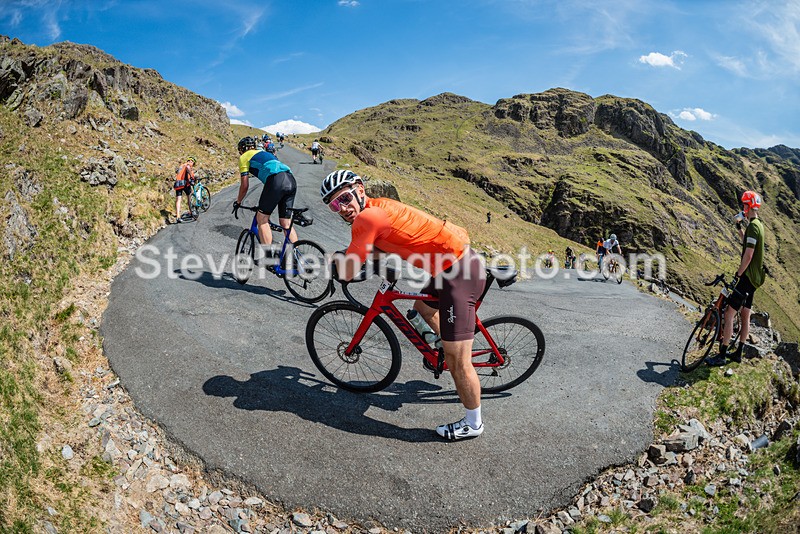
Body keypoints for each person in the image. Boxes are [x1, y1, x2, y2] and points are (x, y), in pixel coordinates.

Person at [321, 170, 486, 441]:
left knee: (458, 362)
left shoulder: (366, 217)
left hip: (459, 275)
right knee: (423, 310)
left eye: (345, 198)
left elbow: (349, 271)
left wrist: (337, 263)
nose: (343, 208)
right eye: (334, 205)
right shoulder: (377, 206)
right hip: (450, 266)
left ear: (360, 190)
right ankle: (443, 345)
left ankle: (473, 423)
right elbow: (382, 245)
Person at [706, 191, 766, 366]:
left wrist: (738, 274)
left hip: (747, 277)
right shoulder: (758, 225)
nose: (743, 208)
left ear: (748, 206)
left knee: (729, 313)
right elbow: (747, 242)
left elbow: (748, 255)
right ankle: (738, 353)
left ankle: (722, 355)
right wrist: (739, 227)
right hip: (755, 279)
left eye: (744, 205)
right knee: (745, 315)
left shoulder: (753, 227)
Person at [233, 136, 298, 259]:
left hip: (276, 181)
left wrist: (238, 201)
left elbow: (244, 185)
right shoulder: (264, 153)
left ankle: (269, 258)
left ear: (241, 150)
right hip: (291, 180)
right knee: (286, 223)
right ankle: (296, 256)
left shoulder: (244, 157)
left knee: (262, 218)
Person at [173, 156, 197, 222]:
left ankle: (178, 216)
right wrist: (192, 177)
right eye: (191, 161)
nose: (190, 162)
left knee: (178, 200)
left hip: (178, 183)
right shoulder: (188, 166)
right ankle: (191, 212)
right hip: (185, 183)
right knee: (189, 197)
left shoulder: (182, 165)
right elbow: (188, 168)